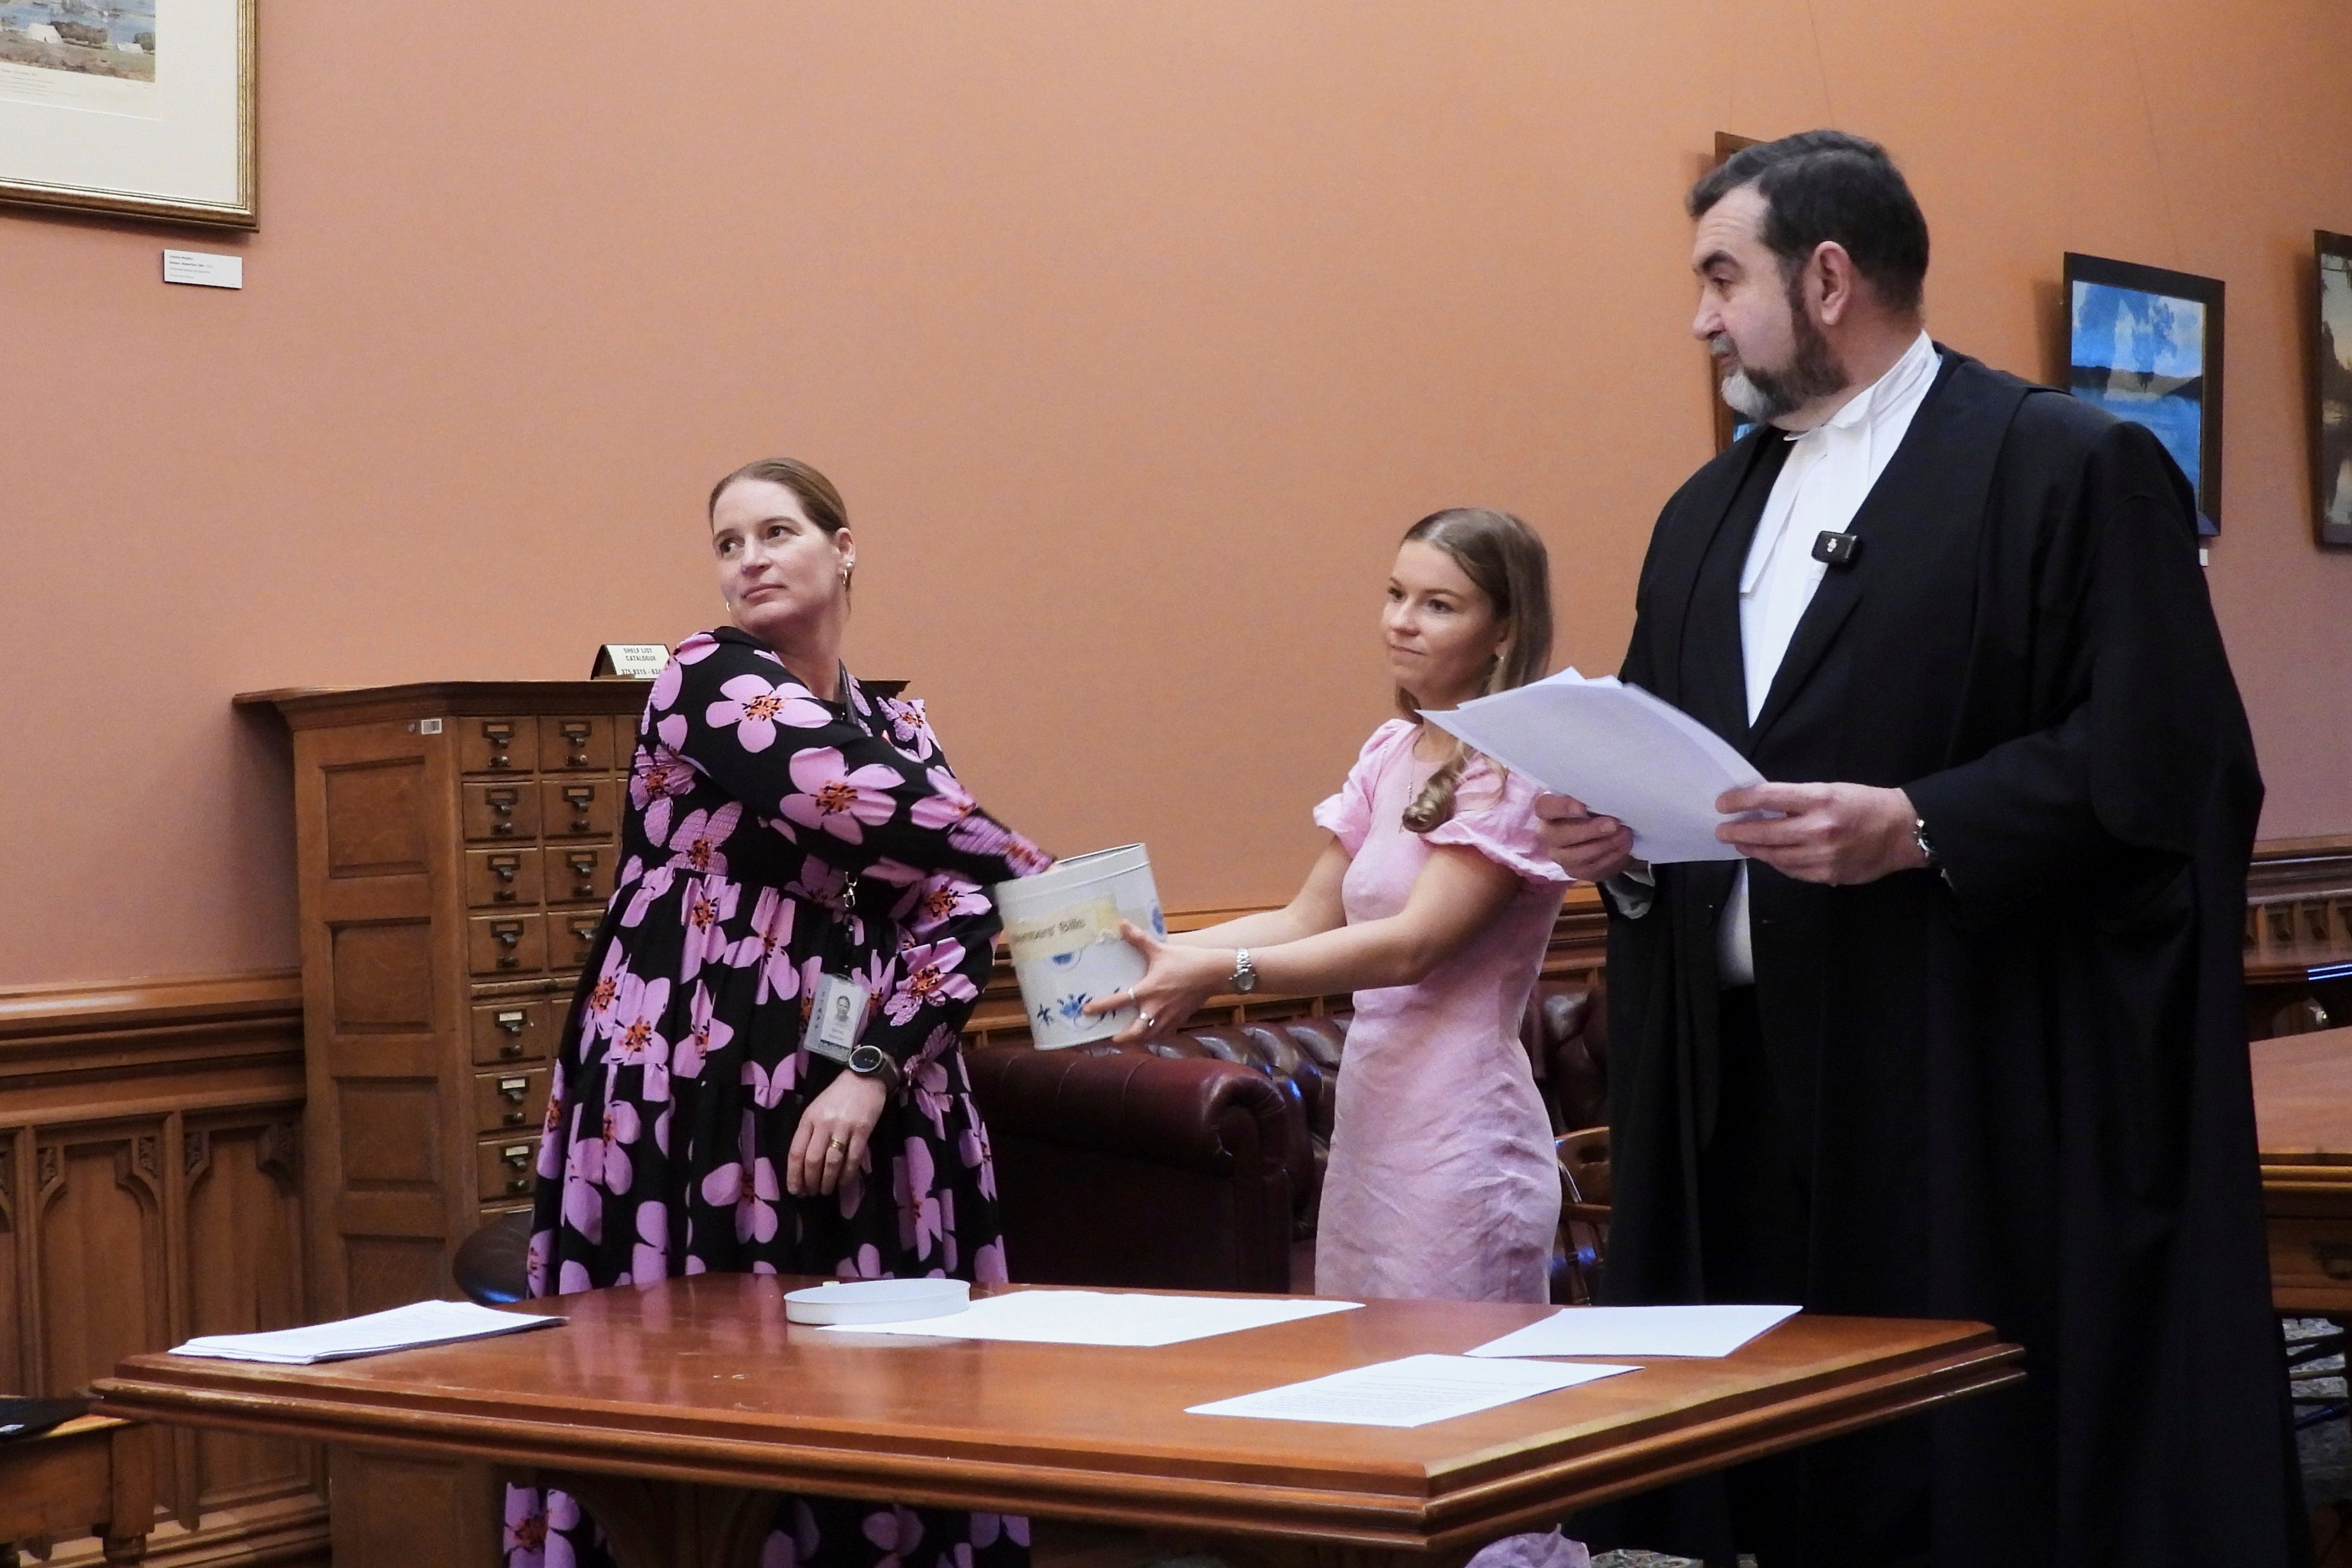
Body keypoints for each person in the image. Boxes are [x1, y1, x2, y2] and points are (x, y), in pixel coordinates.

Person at [1536, 132, 2304, 1567]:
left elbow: (2171, 764)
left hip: (1957, 1080)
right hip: (1734, 1088)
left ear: (1825, 277)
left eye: (1718, 275)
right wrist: (1612, 842)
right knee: (1759, 1464)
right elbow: (1669, 763)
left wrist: (1923, 823)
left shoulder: (2061, 465)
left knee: (1945, 1475)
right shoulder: (1702, 512)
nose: (1696, 315)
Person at [505, 457, 1053, 1568]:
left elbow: (955, 914)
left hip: (861, 1079)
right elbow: (847, 790)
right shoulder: (708, 679)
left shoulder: (896, 720)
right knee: (716, 1374)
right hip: (689, 1075)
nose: (749, 558)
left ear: (843, 547)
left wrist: (874, 1063)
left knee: (867, 1391)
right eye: (727, 542)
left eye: (777, 531)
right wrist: (1045, 873)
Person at [1100, 508, 1571, 1302]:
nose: (1401, 622)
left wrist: (1216, 972)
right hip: (1373, 1122)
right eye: (1395, 594)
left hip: (1463, 1135)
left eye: (1438, 604)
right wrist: (1142, 954)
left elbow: (1410, 946)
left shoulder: (1514, 770)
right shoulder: (1392, 750)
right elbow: (1304, 917)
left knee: (1452, 1395)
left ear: (1505, 630)